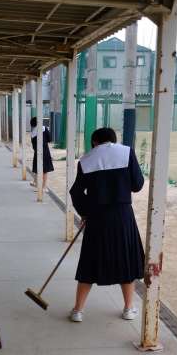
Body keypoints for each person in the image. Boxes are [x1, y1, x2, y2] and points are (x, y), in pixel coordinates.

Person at [69, 127, 145, 323]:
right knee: (125, 261)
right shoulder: (127, 152)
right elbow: (137, 185)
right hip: (122, 216)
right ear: (114, 139)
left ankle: (78, 311)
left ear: (95, 142)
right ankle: (128, 309)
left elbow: (76, 192)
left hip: (97, 217)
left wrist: (85, 212)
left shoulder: (86, 160)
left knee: (89, 263)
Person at [30, 116, 54, 191]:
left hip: (37, 153)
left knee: (38, 169)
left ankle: (36, 183)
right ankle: (44, 187)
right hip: (45, 152)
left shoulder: (33, 133)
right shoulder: (44, 128)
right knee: (45, 170)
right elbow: (50, 139)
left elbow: (33, 146)